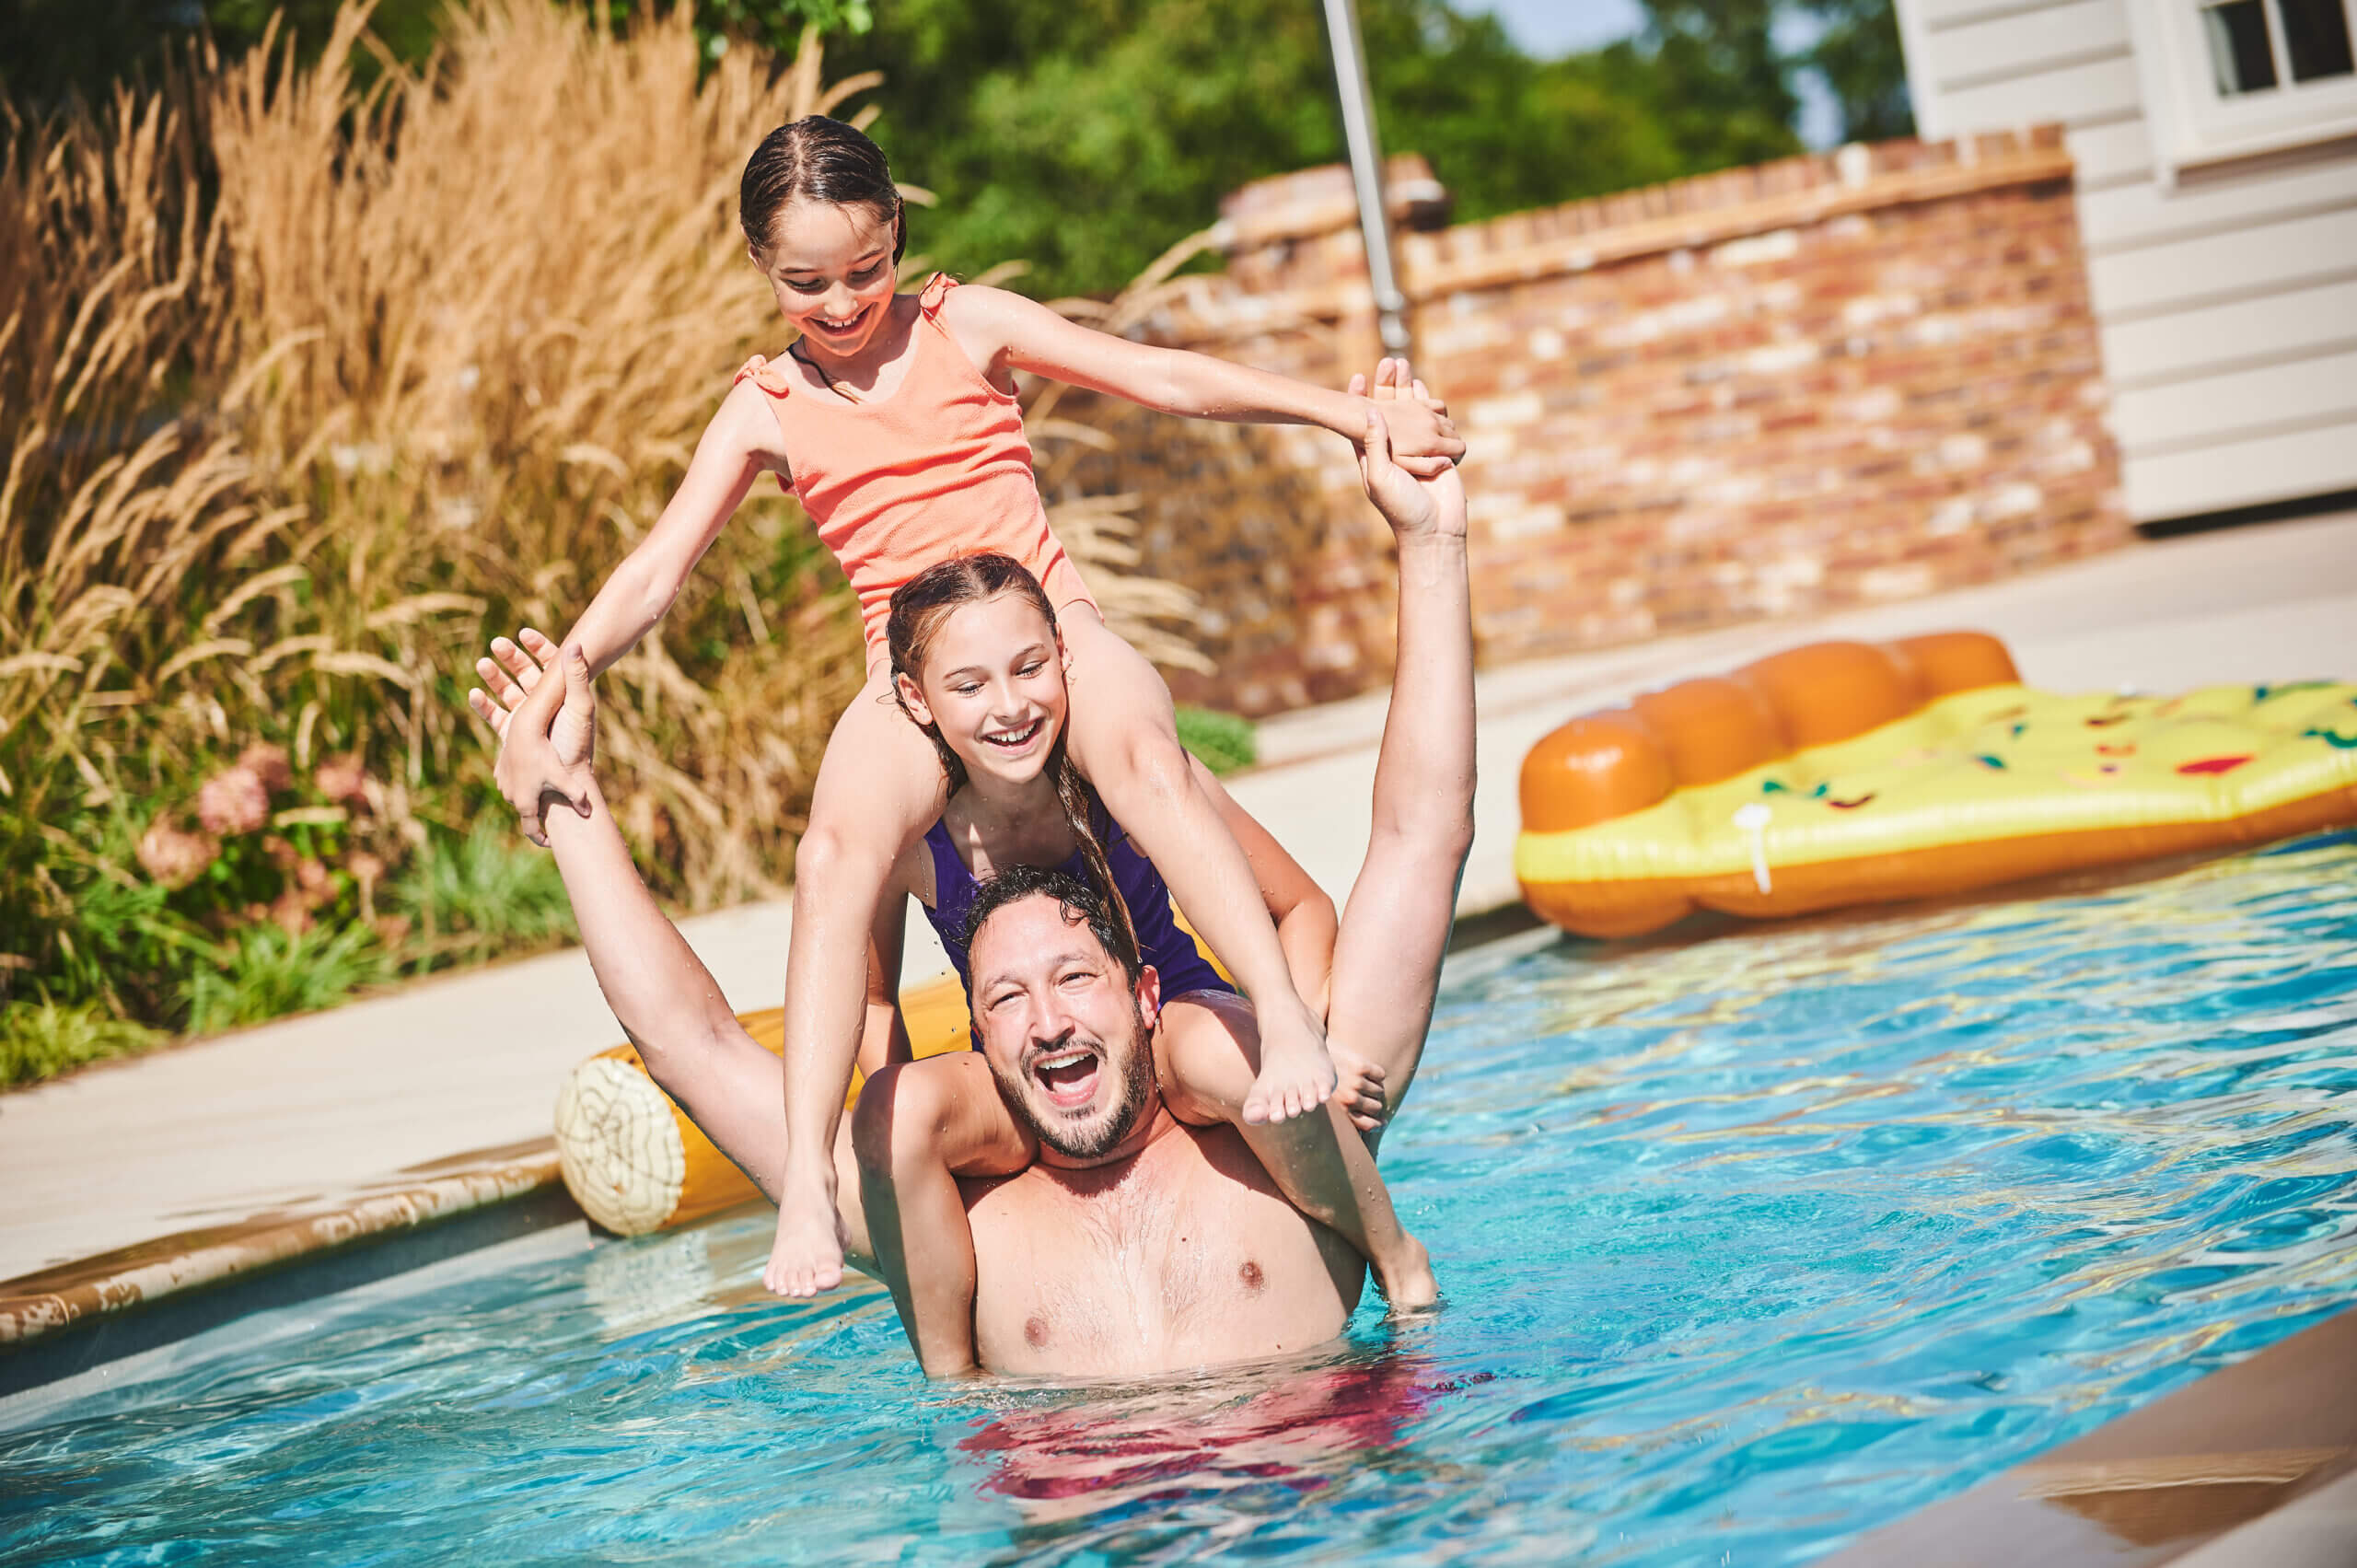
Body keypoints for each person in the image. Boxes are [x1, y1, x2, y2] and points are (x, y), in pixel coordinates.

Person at [480, 116, 1465, 1304]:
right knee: (834, 850)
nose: (841, 305)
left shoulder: (967, 323)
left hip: (1044, 621)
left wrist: (1351, 416)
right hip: (909, 675)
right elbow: (657, 570)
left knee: (1148, 758)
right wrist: (567, 669)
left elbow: (1159, 378)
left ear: (896, 231)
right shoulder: (765, 406)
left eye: (863, 270)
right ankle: (801, 1180)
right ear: (759, 267)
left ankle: (1284, 1029)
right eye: (806, 285)